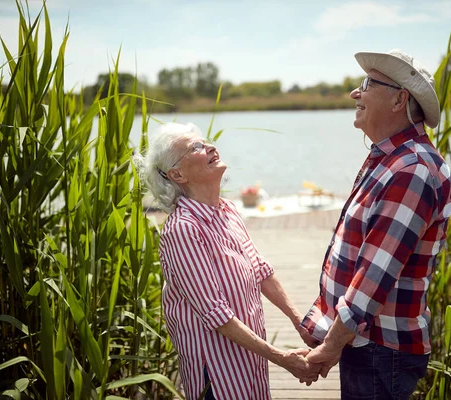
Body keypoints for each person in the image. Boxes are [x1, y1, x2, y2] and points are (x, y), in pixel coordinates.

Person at [299, 50, 451, 399]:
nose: (356, 93)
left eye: (368, 84)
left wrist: (332, 343)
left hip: (380, 349)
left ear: (400, 98)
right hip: (367, 342)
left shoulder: (411, 169)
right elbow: (354, 256)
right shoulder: (389, 160)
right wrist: (323, 329)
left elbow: (374, 277)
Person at [136, 122, 320, 399]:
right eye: (196, 147)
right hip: (218, 371)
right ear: (177, 174)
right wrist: (282, 357)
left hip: (250, 360)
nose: (209, 146)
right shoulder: (183, 229)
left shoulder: (229, 210)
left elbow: (261, 272)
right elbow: (216, 315)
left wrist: (300, 322)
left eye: (206, 141)